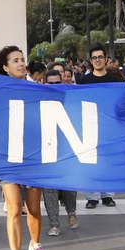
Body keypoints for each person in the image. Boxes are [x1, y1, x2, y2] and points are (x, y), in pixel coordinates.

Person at [0, 45, 48, 250]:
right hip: (7, 156)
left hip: (33, 155)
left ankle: (35, 244)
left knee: (33, 208)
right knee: (14, 208)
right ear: (5, 67)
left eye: (22, 59)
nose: (21, 63)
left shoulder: (36, 89)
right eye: (15, 60)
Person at [77, 44, 123, 210]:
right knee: (90, 160)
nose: (97, 60)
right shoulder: (84, 80)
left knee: (109, 160)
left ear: (106, 59)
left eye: (100, 57)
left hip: (110, 125)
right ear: (90, 61)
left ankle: (108, 195)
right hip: (89, 124)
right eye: (94, 58)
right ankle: (92, 196)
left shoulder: (114, 79)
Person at [40, 65, 79, 235]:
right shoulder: (39, 100)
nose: (54, 86)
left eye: (57, 82)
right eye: (50, 83)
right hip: (47, 149)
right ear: (44, 84)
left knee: (69, 186)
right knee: (49, 188)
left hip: (67, 149)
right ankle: (53, 223)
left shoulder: (71, 99)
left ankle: (71, 212)